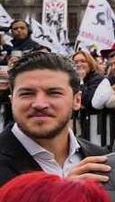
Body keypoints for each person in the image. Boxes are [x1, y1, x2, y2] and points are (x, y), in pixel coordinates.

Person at [0, 53, 107, 186]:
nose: (39, 104)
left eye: (54, 93)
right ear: (12, 101)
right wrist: (63, 194)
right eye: (27, 93)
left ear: (77, 100)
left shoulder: (101, 159)